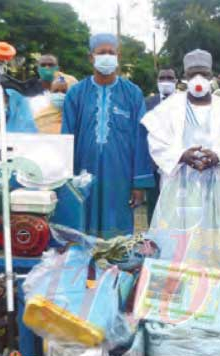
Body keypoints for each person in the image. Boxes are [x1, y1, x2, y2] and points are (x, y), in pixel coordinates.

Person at [141, 48, 220, 279]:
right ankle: (177, 288)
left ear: (211, 75)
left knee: (215, 239)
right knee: (178, 239)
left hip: (216, 187)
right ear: (184, 75)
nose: (198, 79)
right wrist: (181, 155)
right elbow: (156, 142)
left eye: (204, 74)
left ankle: (213, 292)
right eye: (193, 73)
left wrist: (219, 157)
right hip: (180, 186)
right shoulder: (169, 108)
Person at [61, 33, 153, 238]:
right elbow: (66, 136)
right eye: (101, 53)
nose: (107, 57)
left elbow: (141, 139)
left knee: (117, 236)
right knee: (81, 230)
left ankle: (116, 270)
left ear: (118, 56)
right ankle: (85, 269)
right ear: (91, 57)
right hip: (82, 174)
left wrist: (139, 183)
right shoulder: (76, 93)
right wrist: (66, 179)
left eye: (111, 53)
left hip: (120, 175)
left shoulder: (133, 93)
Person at [144, 67, 178, 223]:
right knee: (153, 203)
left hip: (178, 163)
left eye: (170, 78)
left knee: (175, 203)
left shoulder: (185, 102)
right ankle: (152, 240)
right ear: (157, 81)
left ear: (176, 81)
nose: (166, 81)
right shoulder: (147, 103)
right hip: (153, 162)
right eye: (162, 78)